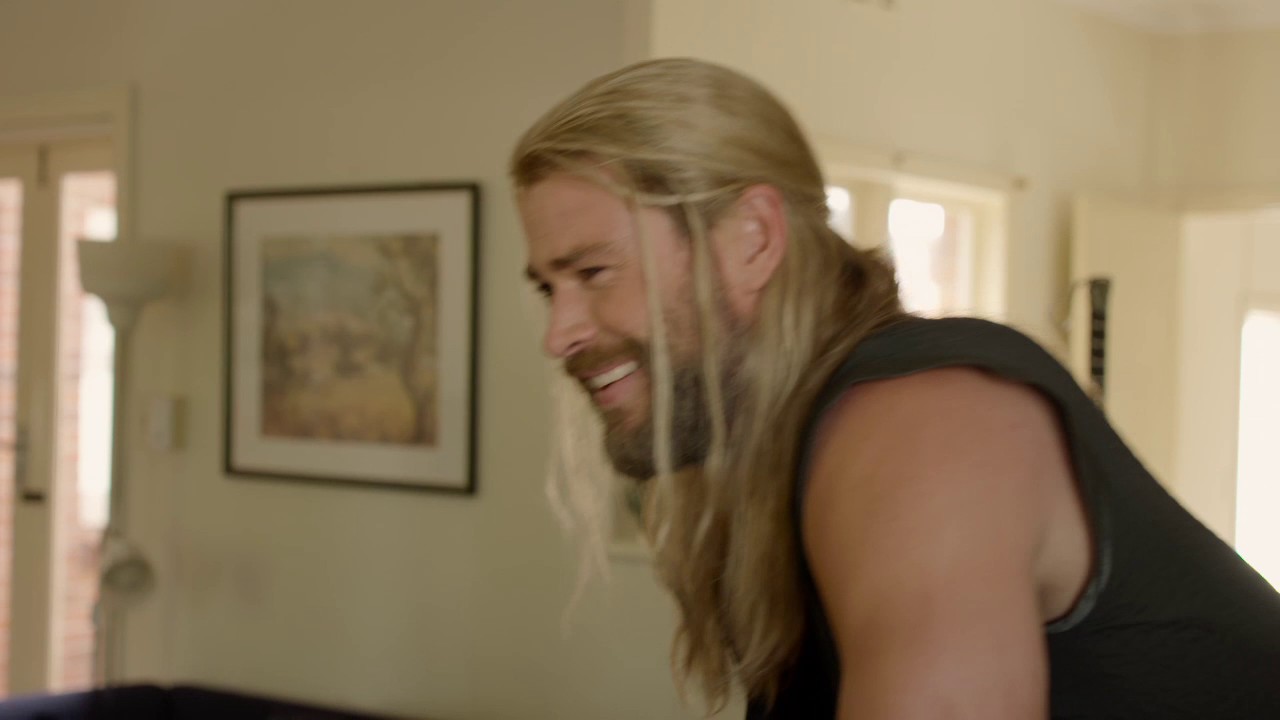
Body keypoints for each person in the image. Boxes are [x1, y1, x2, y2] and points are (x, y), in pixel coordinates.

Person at [510, 58, 1280, 719]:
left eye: (593, 272)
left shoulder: (924, 420)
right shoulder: (788, 461)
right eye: (549, 289)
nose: (559, 334)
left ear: (752, 239)